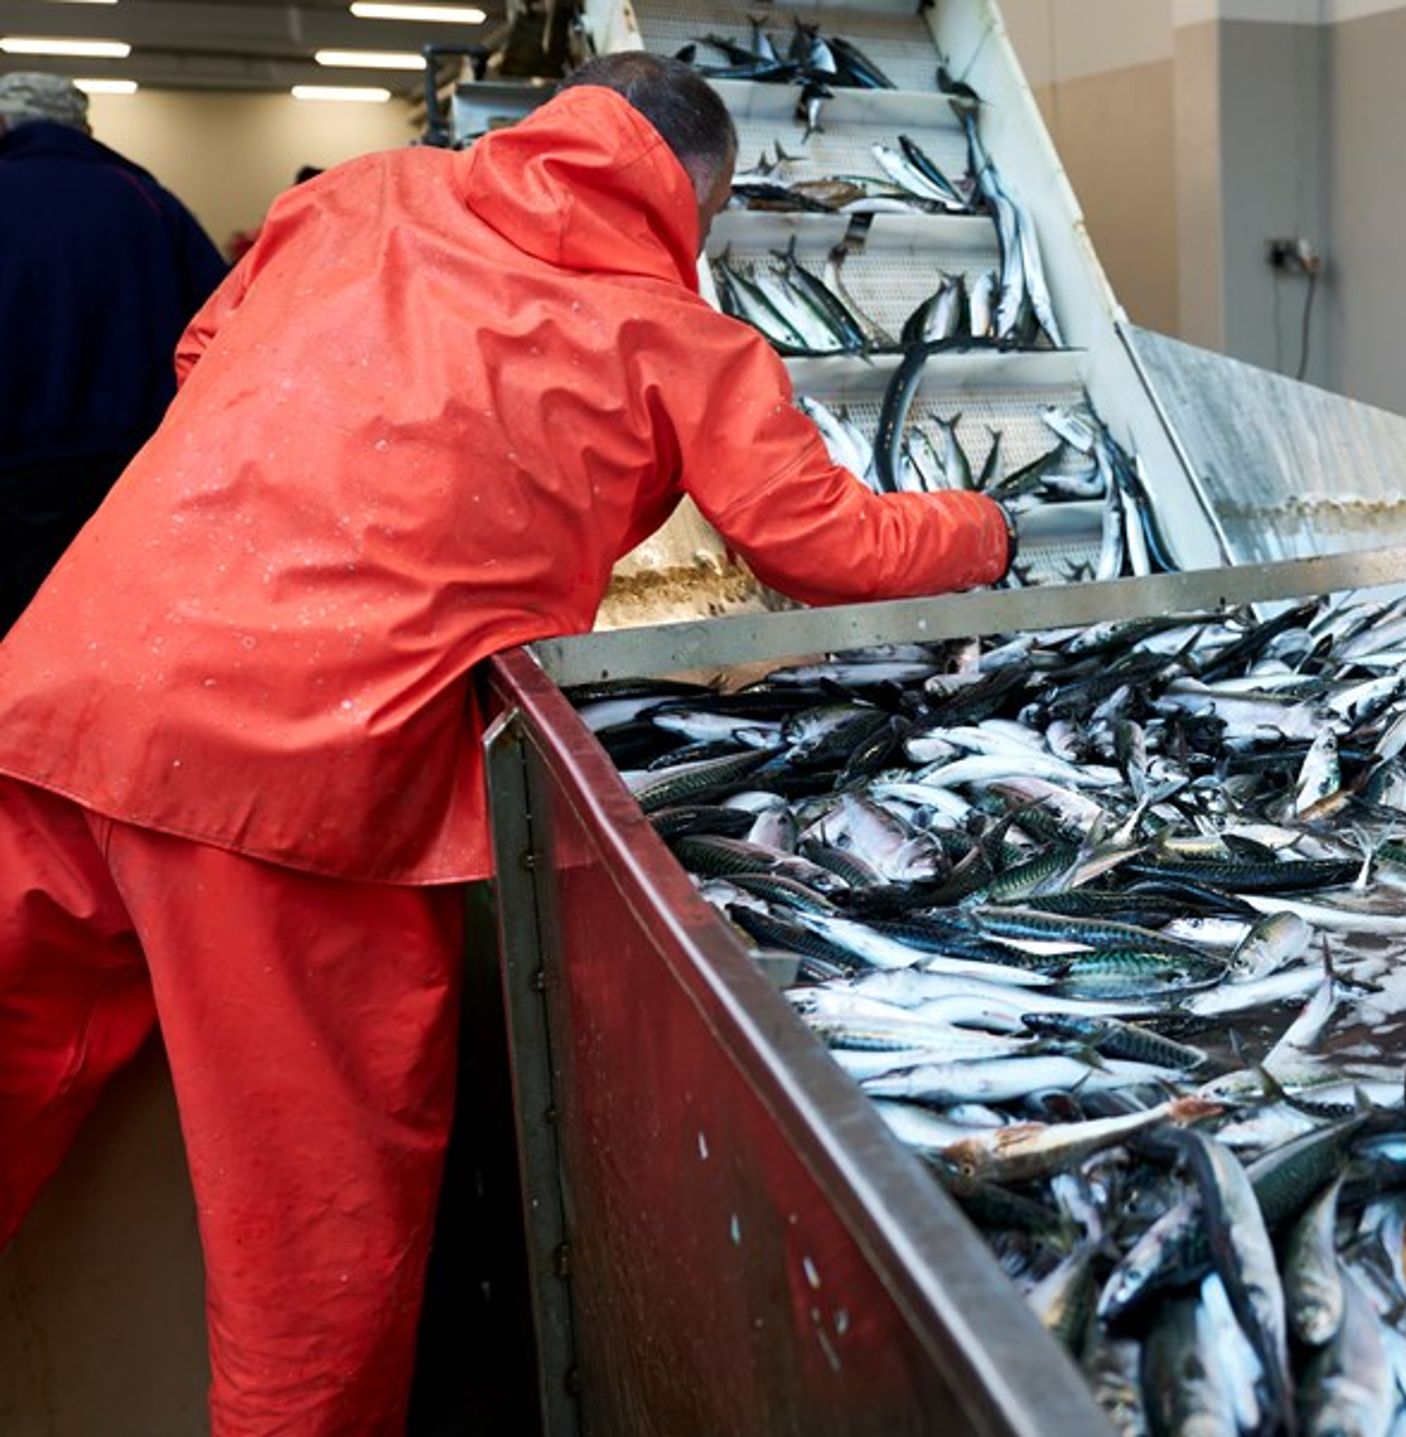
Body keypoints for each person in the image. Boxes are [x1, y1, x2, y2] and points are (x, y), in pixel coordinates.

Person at [0, 53, 1010, 1436]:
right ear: (692, 195)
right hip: (301, 781)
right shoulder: (679, 336)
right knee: (314, 1245)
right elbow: (829, 552)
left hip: (63, 689)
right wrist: (984, 530)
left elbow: (202, 357)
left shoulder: (362, 194)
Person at [0, 71, 227, 634]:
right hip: (131, 470)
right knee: (109, 630)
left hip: (10, 473)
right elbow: (225, 327)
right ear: (83, 127)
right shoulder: (148, 198)